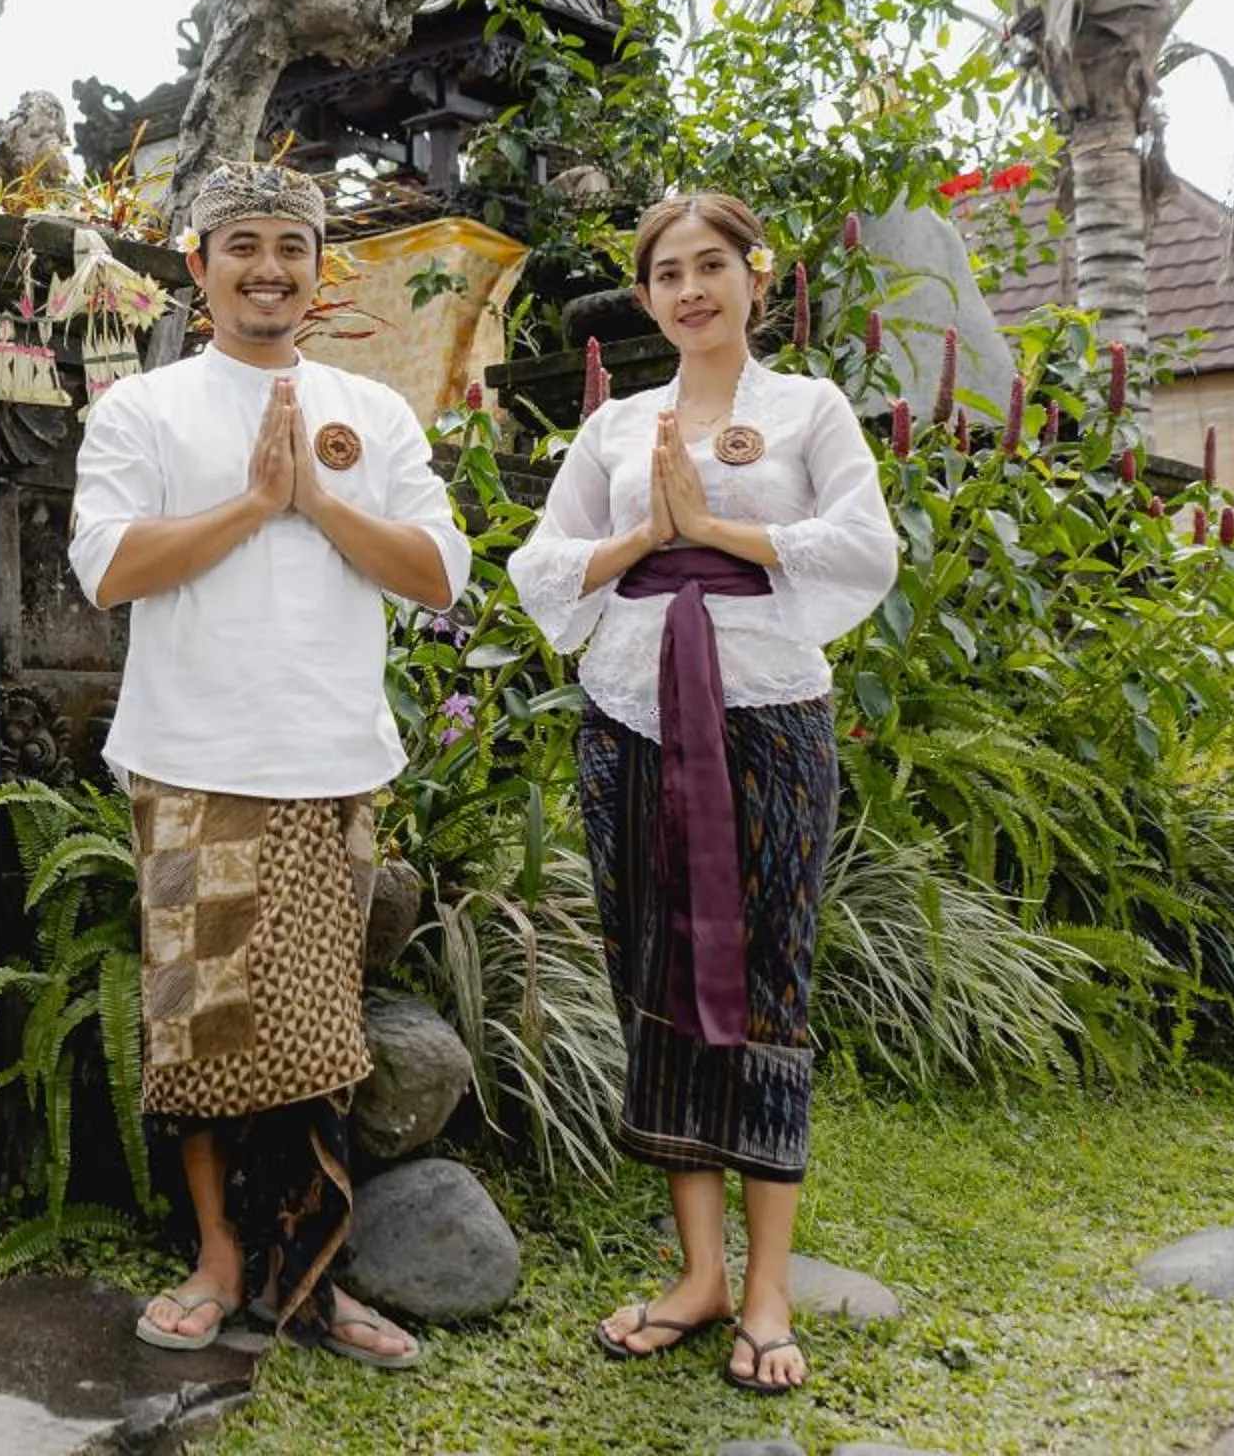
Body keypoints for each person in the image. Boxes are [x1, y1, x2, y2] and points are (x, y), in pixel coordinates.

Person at [68, 160, 469, 1370]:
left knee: (313, 1027)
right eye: (241, 244)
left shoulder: (373, 408)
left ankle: (316, 1272)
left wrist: (315, 503)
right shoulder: (145, 409)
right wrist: (251, 503)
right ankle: (220, 1261)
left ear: (316, 267)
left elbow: (438, 570)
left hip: (330, 755)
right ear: (196, 266)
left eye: (290, 245)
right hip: (193, 758)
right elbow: (110, 568)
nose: (268, 267)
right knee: (203, 1027)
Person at [509, 192, 898, 1396]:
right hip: (629, 712)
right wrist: (641, 543)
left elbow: (867, 543)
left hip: (769, 713)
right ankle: (699, 1273)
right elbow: (543, 558)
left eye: (711, 265)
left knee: (767, 972)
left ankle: (770, 1281)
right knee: (655, 970)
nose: (690, 289)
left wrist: (723, 531)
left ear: (752, 274)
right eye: (667, 272)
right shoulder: (619, 425)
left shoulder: (809, 408)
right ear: (646, 295)